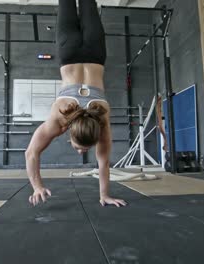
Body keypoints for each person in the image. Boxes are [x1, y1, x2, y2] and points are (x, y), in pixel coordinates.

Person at [25, 0, 127, 208]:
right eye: (82, 149)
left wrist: (38, 186)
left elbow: (103, 162)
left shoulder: (102, 118)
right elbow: (31, 153)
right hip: (69, 54)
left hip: (95, 55)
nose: (81, 152)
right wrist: (36, 186)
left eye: (81, 149)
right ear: (70, 132)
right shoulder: (59, 117)